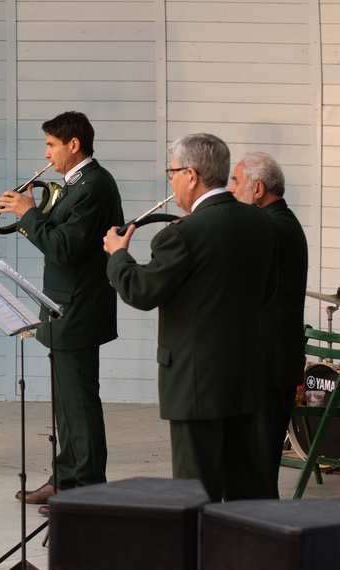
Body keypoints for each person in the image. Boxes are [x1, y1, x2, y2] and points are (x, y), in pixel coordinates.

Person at [103, 133, 277, 502]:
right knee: (245, 481)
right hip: (243, 373)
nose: (172, 180)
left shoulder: (184, 234)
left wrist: (118, 255)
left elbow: (140, 291)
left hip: (194, 380)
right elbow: (268, 290)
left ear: (192, 175)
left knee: (195, 488)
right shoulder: (258, 222)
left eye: (173, 172)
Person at [0, 111, 123, 515]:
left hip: (78, 307)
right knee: (65, 406)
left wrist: (29, 213)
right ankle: (65, 478)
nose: (46, 153)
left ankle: (87, 488)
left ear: (73, 145)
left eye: (51, 145)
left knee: (79, 403)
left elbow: (65, 248)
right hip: (62, 305)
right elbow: (62, 239)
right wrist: (34, 214)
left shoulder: (93, 185)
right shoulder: (76, 184)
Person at [229, 151, 308, 499]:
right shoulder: (279, 221)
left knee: (258, 466)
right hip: (271, 357)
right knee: (255, 463)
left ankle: (261, 545)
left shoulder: (271, 226)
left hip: (268, 360)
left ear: (257, 189)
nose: (230, 189)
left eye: (236, 182)